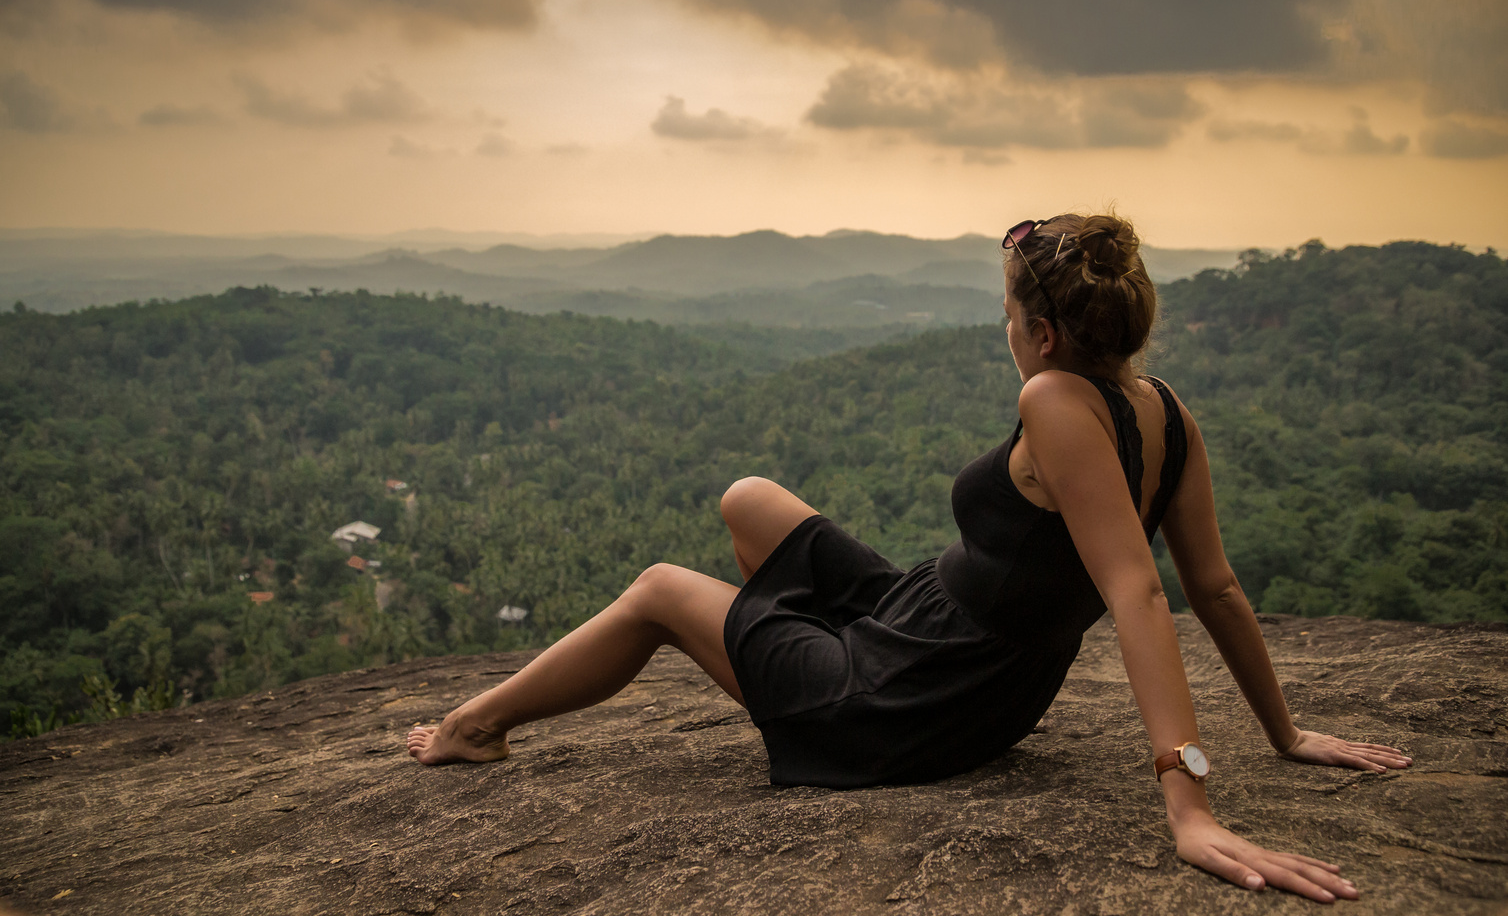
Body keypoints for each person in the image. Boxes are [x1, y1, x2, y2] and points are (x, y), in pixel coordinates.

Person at [407, 212, 1411, 903]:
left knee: (662, 591)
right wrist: (1282, 734)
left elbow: (1142, 593)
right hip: (921, 623)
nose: (1004, 332)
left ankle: (472, 728)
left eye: (1010, 317)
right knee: (747, 500)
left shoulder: (1053, 399)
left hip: (908, 699)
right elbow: (1220, 588)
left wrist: (1186, 801)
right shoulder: (1165, 413)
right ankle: (786, 652)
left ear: (1045, 332)